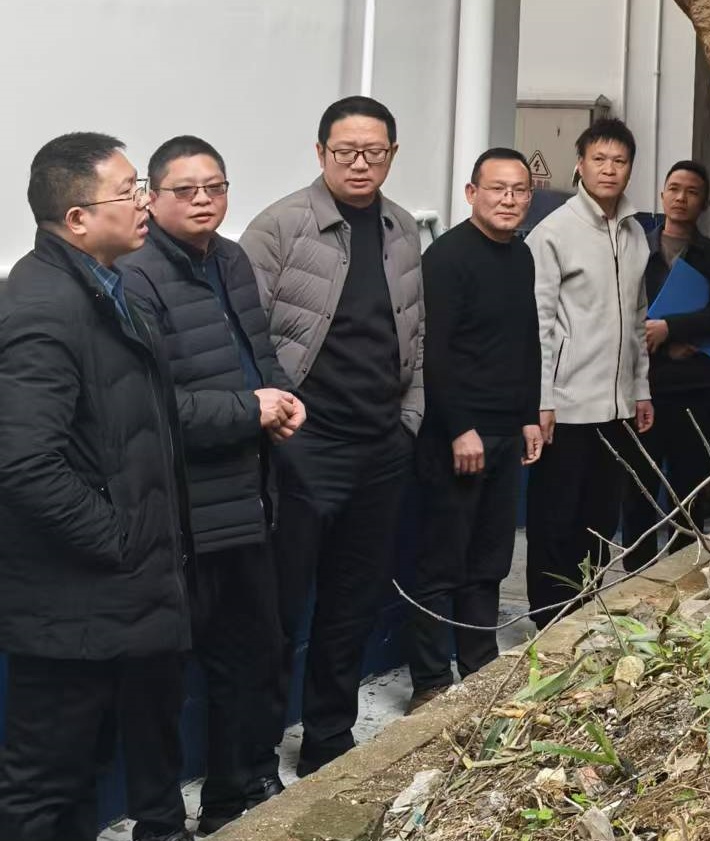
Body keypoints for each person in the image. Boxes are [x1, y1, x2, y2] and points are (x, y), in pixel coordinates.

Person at [0, 133, 193, 841]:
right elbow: (24, 462)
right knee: (42, 786)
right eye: (129, 189)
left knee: (82, 776)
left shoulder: (106, 288)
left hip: (114, 598)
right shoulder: (43, 307)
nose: (144, 201)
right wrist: (121, 539)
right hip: (70, 605)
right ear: (77, 218)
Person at [119, 136, 304, 832]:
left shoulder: (230, 258)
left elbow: (260, 355)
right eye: (186, 190)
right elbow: (150, 409)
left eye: (215, 187)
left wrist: (282, 400)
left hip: (250, 503)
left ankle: (230, 798)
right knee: (161, 681)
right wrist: (248, 411)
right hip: (181, 516)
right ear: (152, 198)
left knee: (248, 661)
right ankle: (159, 823)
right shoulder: (136, 275)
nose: (204, 200)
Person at [241, 96, 424, 779]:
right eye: (345, 151)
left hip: (381, 448)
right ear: (320, 153)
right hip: (303, 449)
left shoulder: (403, 228)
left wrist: (408, 423)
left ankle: (328, 740)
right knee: (279, 611)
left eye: (373, 152)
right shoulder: (280, 227)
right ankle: (255, 758)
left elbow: (418, 335)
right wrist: (276, 426)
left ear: (391, 155)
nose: (359, 163)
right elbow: (244, 334)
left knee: (352, 605)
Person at [405, 147, 542, 709]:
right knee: (441, 559)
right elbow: (433, 353)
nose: (509, 200)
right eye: (497, 189)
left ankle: (479, 663)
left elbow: (527, 341)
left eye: (519, 190)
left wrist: (529, 415)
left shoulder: (522, 255)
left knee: (490, 558)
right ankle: (430, 681)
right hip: (456, 435)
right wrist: (459, 427)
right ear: (471, 193)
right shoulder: (446, 258)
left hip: (507, 430)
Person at [525, 118, 653, 626]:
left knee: (600, 517)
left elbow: (638, 319)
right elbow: (539, 324)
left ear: (630, 169)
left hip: (617, 405)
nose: (609, 169)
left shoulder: (636, 233)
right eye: (599, 159)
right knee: (557, 516)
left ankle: (584, 608)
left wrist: (640, 389)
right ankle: (548, 616)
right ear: (580, 165)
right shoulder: (553, 233)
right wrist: (542, 399)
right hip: (566, 403)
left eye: (619, 161)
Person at [620, 161, 710, 571]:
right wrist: (667, 341)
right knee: (639, 488)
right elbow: (623, 313)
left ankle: (685, 570)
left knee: (690, 489)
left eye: (692, 191)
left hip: (694, 392)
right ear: (662, 194)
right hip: (643, 391)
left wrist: (669, 329)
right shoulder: (637, 249)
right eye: (674, 188)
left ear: (704, 203)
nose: (681, 198)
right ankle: (636, 574)